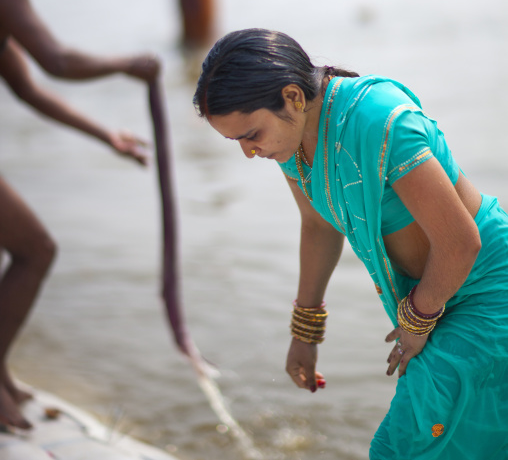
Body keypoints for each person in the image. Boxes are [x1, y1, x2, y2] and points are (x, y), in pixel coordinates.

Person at [193, 28, 508, 459]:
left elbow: (459, 244)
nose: (249, 152)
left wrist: (416, 322)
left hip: (485, 287)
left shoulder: (381, 121)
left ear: (293, 97)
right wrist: (305, 330)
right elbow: (319, 226)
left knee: (406, 445)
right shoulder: (291, 142)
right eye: (237, 142)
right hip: (432, 294)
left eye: (251, 134)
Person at [0, 0, 161, 430]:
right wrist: (127, 64)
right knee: (35, 249)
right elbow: (57, 61)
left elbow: (28, 89)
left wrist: (105, 134)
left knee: (31, 249)